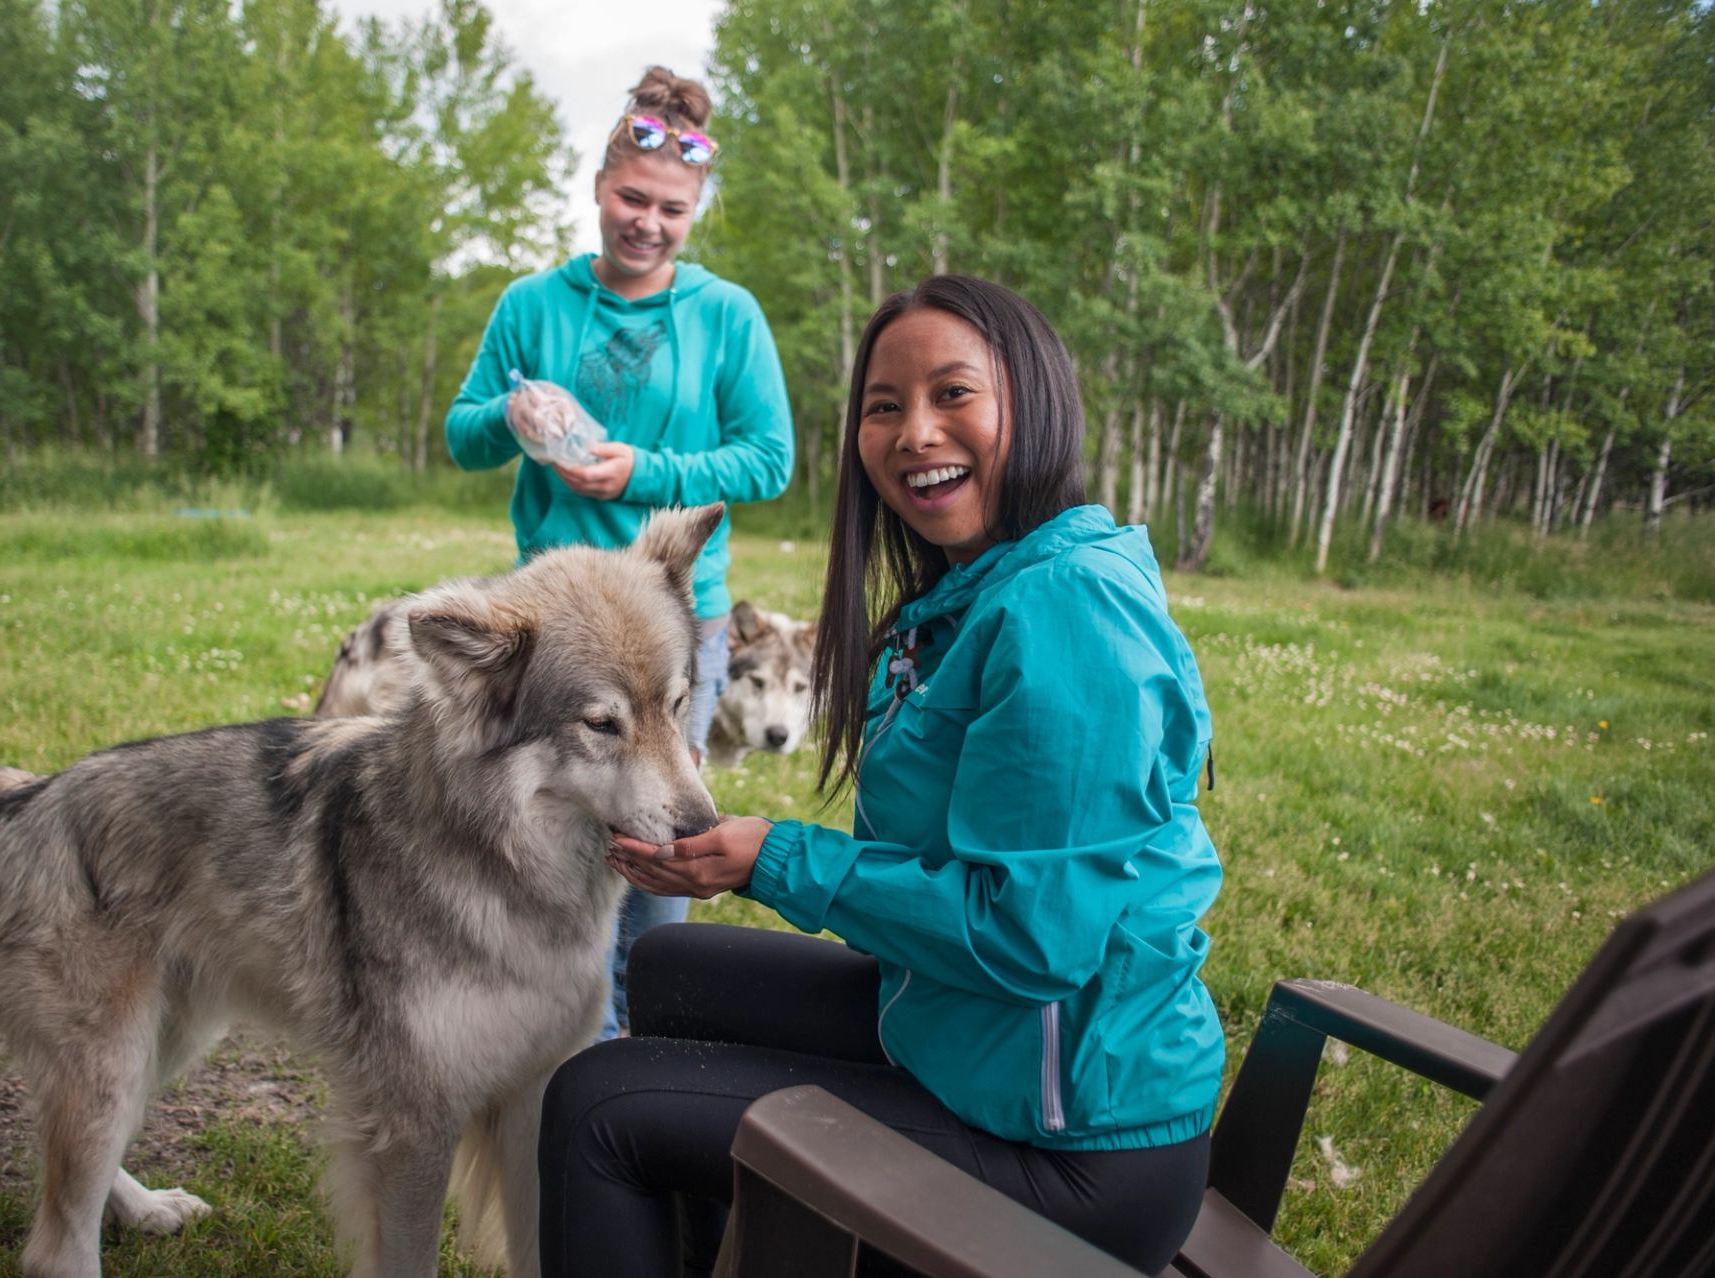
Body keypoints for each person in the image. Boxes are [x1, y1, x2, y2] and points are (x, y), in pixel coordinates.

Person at [541, 275, 1224, 1277]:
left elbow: (1032, 939)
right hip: (972, 1040)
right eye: (883, 406)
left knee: (599, 1104)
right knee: (669, 971)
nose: (914, 433)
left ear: (1033, 402)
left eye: (954, 394)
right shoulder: (976, 589)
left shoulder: (1066, 611)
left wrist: (776, 859)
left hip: (1070, 1152)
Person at [444, 68, 793, 1041]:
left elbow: (769, 460)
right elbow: (460, 434)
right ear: (599, 186)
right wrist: (510, 418)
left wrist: (642, 470)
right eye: (632, 198)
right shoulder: (533, 305)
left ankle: (641, 1055)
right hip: (554, 635)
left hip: (675, 624)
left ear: (696, 212)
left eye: (671, 209)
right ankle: (552, 1046)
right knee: (548, 851)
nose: (647, 222)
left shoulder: (725, 316)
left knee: (658, 848)